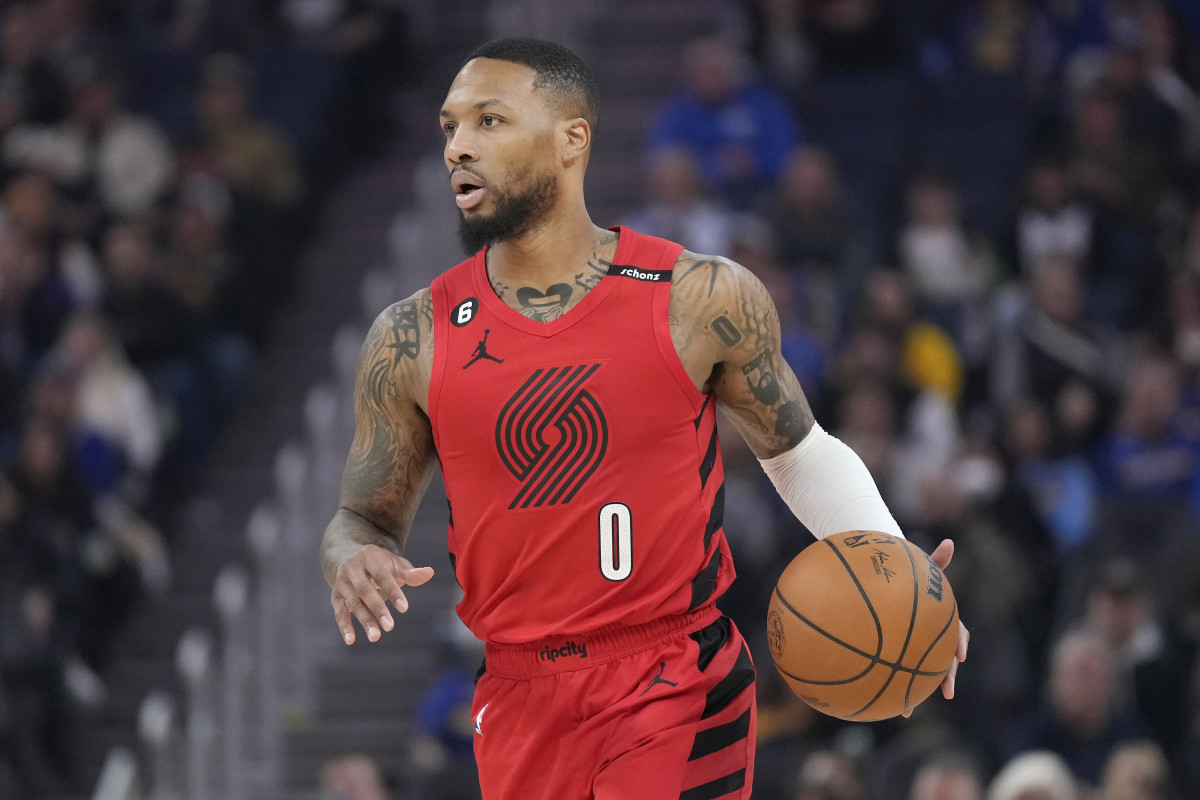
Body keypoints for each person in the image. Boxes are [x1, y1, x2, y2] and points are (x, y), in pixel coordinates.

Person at [319, 37, 969, 800]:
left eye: (488, 121)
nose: (459, 147)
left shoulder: (699, 295)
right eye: (448, 127)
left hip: (675, 671)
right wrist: (351, 557)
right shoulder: (411, 335)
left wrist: (895, 564)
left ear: (572, 139)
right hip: (518, 691)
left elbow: (798, 452)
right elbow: (361, 517)